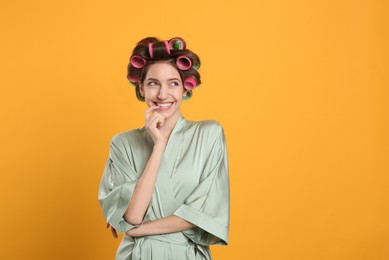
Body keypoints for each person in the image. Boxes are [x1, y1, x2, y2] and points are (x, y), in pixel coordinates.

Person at [98, 37, 230, 260]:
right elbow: (133, 216)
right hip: (138, 255)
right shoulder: (122, 144)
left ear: (185, 88)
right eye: (152, 83)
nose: (162, 94)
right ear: (141, 87)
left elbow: (203, 214)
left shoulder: (209, 134)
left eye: (173, 83)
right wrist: (158, 146)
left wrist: (138, 231)